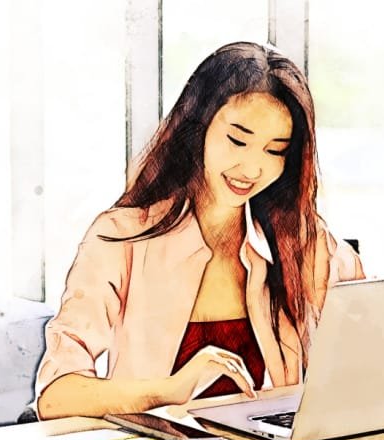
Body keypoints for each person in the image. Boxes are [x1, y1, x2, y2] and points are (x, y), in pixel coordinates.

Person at [34, 42, 364, 420]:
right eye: (237, 140)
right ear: (198, 128)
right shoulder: (121, 237)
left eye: (275, 151)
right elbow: (56, 395)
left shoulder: (303, 242)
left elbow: (380, 335)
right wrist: (169, 391)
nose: (252, 168)